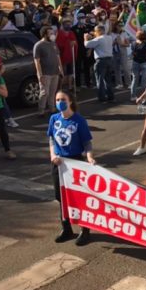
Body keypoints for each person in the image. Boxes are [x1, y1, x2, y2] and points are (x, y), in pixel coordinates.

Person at [49, 90, 96, 246]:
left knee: (78, 198)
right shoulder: (54, 119)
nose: (60, 102)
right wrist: (53, 155)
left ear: (70, 101)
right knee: (61, 197)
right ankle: (66, 228)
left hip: (75, 163)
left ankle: (85, 230)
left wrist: (89, 157)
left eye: (63, 99)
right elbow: (51, 140)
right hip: (59, 163)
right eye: (57, 100)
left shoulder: (79, 120)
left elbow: (87, 143)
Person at [34, 26, 64, 116]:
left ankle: (52, 108)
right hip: (45, 73)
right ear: (45, 35)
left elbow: (58, 57)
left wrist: (61, 69)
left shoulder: (53, 44)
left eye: (53, 33)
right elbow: (37, 62)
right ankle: (41, 110)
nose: (53, 35)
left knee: (52, 92)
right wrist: (40, 75)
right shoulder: (38, 45)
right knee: (44, 93)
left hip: (55, 72)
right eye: (50, 33)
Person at [84, 25, 115, 103]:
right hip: (109, 60)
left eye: (96, 31)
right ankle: (111, 97)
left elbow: (87, 45)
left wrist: (85, 38)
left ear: (99, 31)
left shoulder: (99, 39)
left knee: (100, 80)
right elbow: (97, 39)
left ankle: (102, 98)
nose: (95, 33)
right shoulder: (109, 37)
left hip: (101, 61)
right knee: (108, 80)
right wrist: (93, 36)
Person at [56, 17, 78, 93]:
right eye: (66, 24)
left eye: (69, 24)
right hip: (62, 57)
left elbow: (75, 42)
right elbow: (58, 44)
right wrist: (68, 43)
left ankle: (70, 86)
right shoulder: (59, 33)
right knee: (63, 73)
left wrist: (74, 43)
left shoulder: (71, 33)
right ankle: (61, 88)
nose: (68, 25)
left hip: (71, 56)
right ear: (63, 25)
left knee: (70, 72)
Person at [130, 29, 146, 102]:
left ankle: (133, 96)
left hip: (135, 62)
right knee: (144, 81)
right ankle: (144, 97)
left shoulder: (133, 43)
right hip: (144, 62)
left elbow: (133, 53)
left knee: (134, 80)